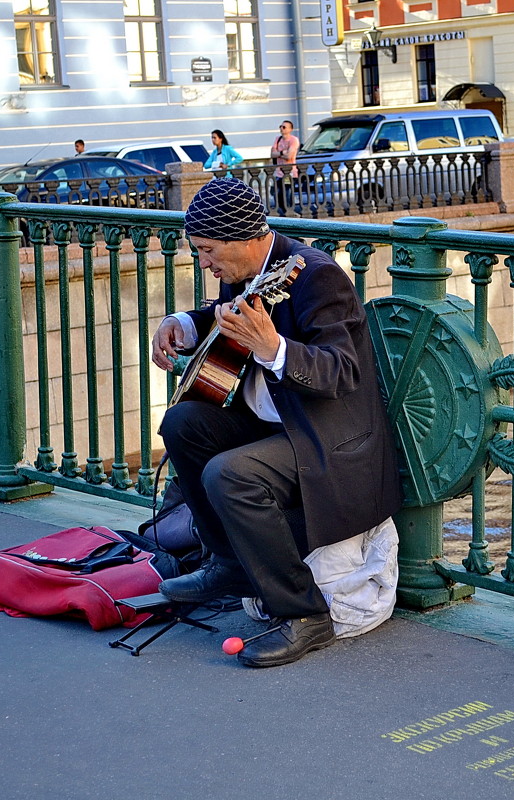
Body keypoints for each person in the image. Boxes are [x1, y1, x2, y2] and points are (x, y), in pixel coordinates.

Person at [151, 178, 402, 667]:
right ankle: (227, 564)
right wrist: (185, 323)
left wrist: (274, 349)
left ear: (241, 238)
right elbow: (226, 315)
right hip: (275, 423)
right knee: (183, 422)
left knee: (230, 473)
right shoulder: (248, 268)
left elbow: (343, 370)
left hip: (326, 439)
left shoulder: (318, 278)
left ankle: (306, 614)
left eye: (207, 250)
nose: (204, 263)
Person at [269, 120, 299, 213]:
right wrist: (282, 152)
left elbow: (289, 156)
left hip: (289, 172)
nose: (281, 129)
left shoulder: (293, 140)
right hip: (279, 172)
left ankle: (289, 211)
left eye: (284, 127)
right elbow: (272, 154)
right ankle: (283, 211)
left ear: (290, 129)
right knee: (277, 193)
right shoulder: (278, 139)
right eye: (280, 126)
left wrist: (278, 153)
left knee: (287, 193)